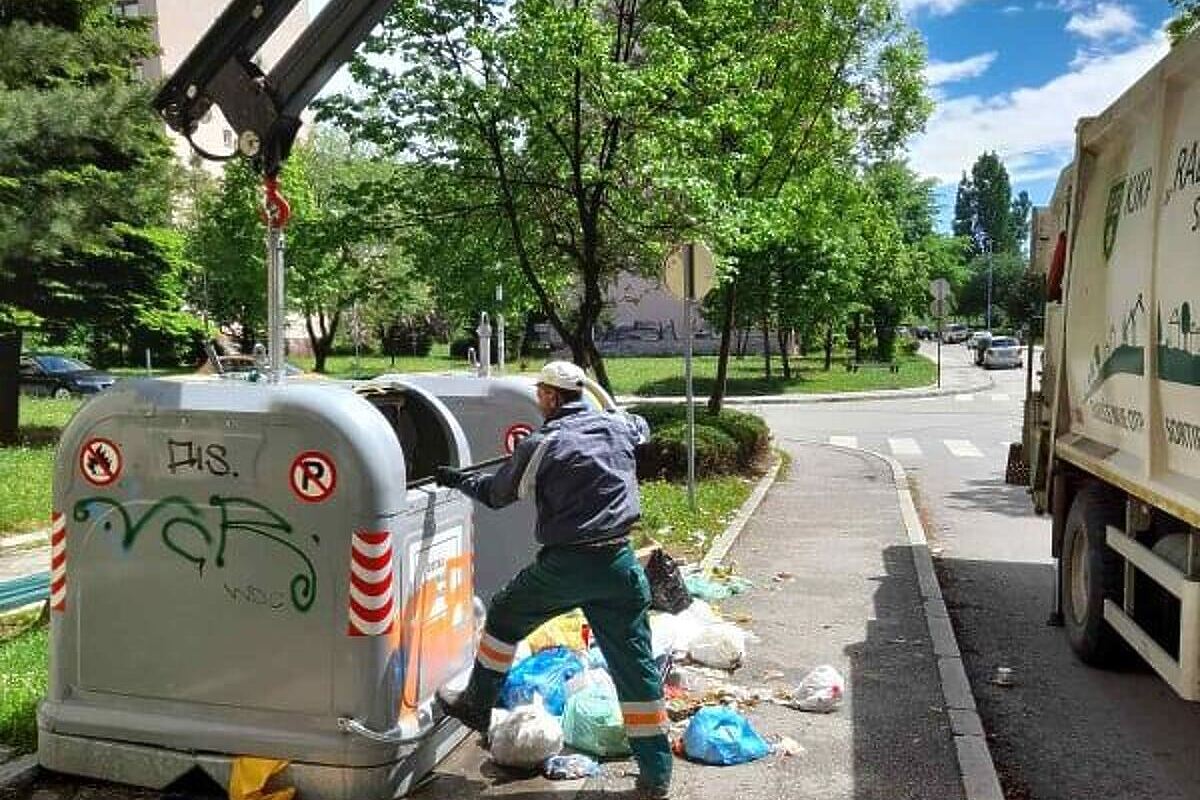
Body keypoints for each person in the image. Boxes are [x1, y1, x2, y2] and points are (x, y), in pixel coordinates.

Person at [434, 360, 671, 799]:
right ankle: (657, 773)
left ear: (548, 397)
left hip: (567, 566)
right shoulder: (619, 427)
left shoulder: (541, 443)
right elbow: (642, 427)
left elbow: (498, 494)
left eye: (541, 393)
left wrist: (459, 481)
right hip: (619, 564)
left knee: (504, 615)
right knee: (636, 670)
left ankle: (476, 703)